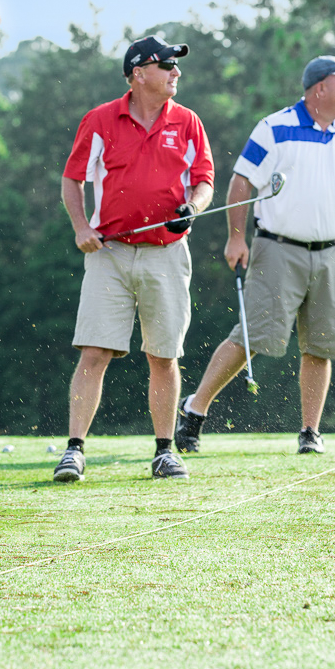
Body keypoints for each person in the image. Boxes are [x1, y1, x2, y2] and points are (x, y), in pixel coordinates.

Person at [176, 55, 335, 455]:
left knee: (322, 346)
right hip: (277, 249)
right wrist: (236, 239)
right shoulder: (275, 128)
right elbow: (241, 183)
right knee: (251, 336)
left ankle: (310, 432)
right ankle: (195, 409)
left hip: (331, 253)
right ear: (320, 87)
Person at [54, 35, 215, 482]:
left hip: (167, 253)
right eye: (167, 66)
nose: (175, 73)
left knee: (163, 355)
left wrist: (194, 207)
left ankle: (165, 450)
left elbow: (204, 180)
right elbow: (73, 180)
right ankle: (74, 451)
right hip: (110, 253)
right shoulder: (102, 120)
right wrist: (81, 228)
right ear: (139, 72)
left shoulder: (187, 121)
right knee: (94, 351)